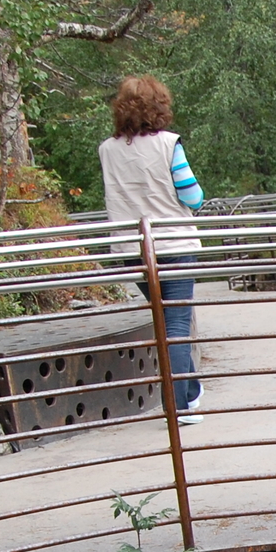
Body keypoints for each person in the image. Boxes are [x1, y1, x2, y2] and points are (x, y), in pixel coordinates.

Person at [100, 75, 206, 424]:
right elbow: (192, 195)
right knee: (176, 320)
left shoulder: (107, 150)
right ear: (159, 106)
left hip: (132, 248)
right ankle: (178, 406)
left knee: (164, 319)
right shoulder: (168, 144)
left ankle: (190, 390)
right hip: (173, 242)